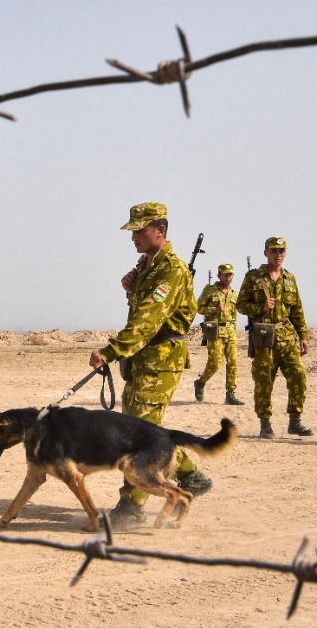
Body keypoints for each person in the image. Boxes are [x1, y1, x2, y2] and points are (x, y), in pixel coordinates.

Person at [87, 202, 210, 529]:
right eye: (133, 231)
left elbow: (149, 319)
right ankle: (190, 476)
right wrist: (132, 288)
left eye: (140, 231)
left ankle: (131, 508)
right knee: (141, 430)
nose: (134, 238)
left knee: (138, 440)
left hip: (160, 360)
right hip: (142, 359)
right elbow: (141, 310)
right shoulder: (146, 267)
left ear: (161, 231)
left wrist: (111, 350)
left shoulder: (172, 269)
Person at [236, 236, 312, 439]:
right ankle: (265, 423)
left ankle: (295, 421)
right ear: (266, 253)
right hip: (263, 337)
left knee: (298, 375)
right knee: (264, 381)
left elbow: (297, 310)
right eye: (273, 251)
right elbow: (240, 304)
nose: (278, 255)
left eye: (281, 251)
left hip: (286, 336)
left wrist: (302, 335)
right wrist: (260, 307)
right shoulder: (254, 277)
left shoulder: (289, 278)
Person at [193, 263, 244, 406]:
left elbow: (234, 315)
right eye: (225, 274)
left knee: (233, 362)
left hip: (230, 332)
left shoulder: (234, 294)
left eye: (230, 274)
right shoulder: (210, 290)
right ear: (219, 275)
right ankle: (200, 382)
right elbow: (198, 308)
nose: (228, 277)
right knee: (215, 362)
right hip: (215, 331)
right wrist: (213, 309)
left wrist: (233, 329)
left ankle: (230, 394)